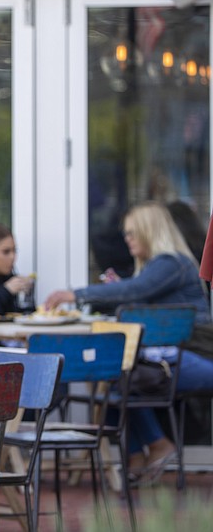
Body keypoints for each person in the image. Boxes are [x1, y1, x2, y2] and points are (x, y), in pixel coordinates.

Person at [44, 202, 213, 483]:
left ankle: (155, 446)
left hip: (195, 358)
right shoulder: (161, 266)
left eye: (133, 233)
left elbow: (136, 290)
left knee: (118, 379)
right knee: (113, 378)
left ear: (149, 232)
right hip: (173, 358)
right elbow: (136, 290)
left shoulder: (171, 262)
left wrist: (76, 294)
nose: (128, 239)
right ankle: (136, 453)